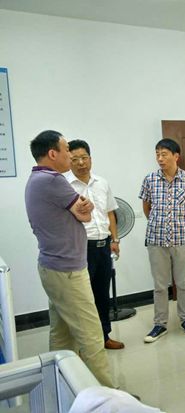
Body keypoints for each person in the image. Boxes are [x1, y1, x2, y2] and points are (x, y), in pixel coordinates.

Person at [24, 130, 113, 387]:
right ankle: (107, 396)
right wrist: (83, 211)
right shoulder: (54, 181)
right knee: (91, 334)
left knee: (61, 333)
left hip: (53, 267)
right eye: (66, 151)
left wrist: (84, 211)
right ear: (53, 154)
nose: (71, 157)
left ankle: (63, 388)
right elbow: (84, 215)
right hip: (68, 271)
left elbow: (84, 213)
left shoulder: (36, 179)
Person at [139, 138, 185, 343]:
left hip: (182, 238)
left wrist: (177, 222)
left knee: (182, 283)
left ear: (176, 156)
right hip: (156, 239)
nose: (160, 158)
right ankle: (160, 324)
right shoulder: (150, 179)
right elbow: (147, 208)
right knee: (159, 285)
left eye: (164, 154)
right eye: (157, 154)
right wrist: (160, 223)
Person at [66, 139, 124, 350]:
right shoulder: (65, 186)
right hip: (82, 248)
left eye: (84, 157)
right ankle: (83, 344)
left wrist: (114, 240)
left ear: (90, 158)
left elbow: (110, 213)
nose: (81, 163)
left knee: (102, 294)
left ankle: (104, 336)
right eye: (75, 159)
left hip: (104, 246)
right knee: (82, 298)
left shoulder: (102, 183)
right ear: (68, 161)